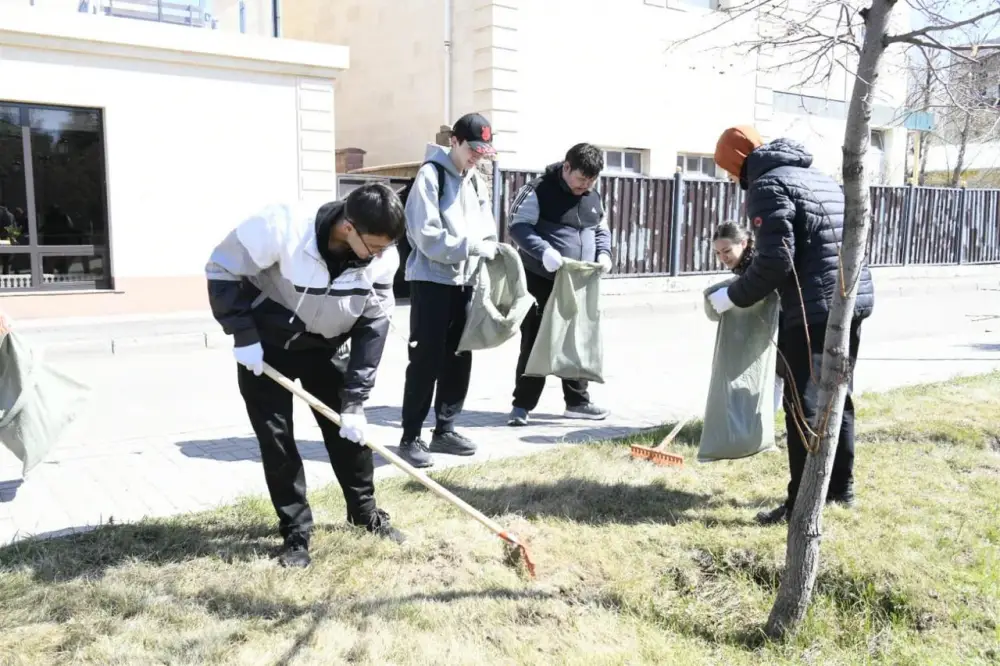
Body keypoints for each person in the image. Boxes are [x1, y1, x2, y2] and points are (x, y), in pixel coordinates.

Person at [205, 182, 407, 568]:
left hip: (326, 348)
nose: (382, 255)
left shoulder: (382, 260)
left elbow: (373, 327)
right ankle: (296, 532)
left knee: (349, 436)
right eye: (376, 245)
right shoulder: (281, 226)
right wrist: (243, 335)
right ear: (349, 226)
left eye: (387, 247)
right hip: (266, 350)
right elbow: (221, 267)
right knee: (278, 441)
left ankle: (364, 514)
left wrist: (356, 401)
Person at [710, 126, 874, 526]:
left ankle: (800, 504)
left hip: (812, 308)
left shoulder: (766, 186)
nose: (732, 179)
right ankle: (840, 490)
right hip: (852, 298)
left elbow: (775, 261)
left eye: (729, 170)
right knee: (838, 396)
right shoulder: (816, 176)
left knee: (802, 403)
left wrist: (733, 295)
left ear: (737, 162)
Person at [398, 112, 500, 468]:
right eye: (473, 149)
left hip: (465, 281)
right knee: (425, 359)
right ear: (454, 141)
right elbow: (425, 236)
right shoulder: (430, 176)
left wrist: (488, 249)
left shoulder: (475, 180)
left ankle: (445, 429)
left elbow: (486, 226)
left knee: (459, 355)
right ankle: (411, 437)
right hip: (432, 281)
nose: (477, 156)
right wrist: (470, 247)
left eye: (483, 151)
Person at [505, 142, 613, 426]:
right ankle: (522, 405)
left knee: (576, 339)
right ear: (567, 168)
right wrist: (544, 252)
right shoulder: (538, 189)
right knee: (536, 341)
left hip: (579, 280)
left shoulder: (593, 195)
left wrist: (604, 253)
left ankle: (577, 402)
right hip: (540, 278)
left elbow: (600, 229)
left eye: (591, 181)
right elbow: (517, 225)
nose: (584, 187)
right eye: (580, 179)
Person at [713, 221, 785, 414]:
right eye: (718, 253)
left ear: (743, 243)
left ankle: (761, 421)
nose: (723, 257)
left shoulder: (758, 264)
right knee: (775, 374)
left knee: (779, 374)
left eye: (726, 250)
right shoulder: (746, 265)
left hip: (787, 322)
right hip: (775, 325)